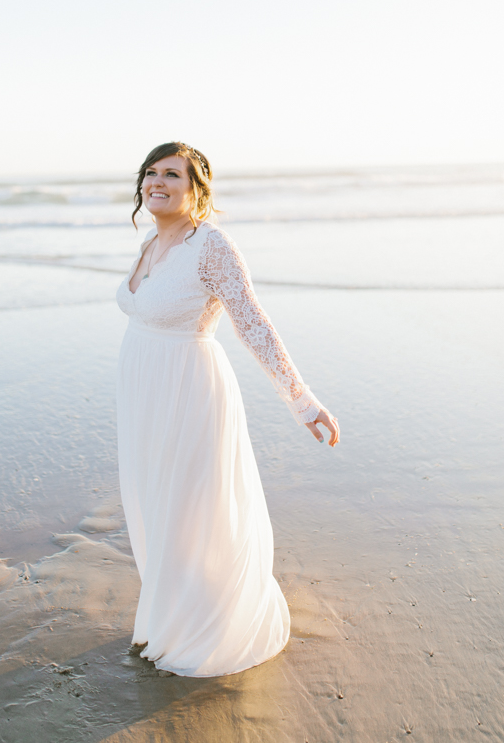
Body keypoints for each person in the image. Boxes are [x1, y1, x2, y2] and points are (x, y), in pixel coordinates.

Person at [115, 142, 339, 677]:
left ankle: (204, 625)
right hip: (142, 391)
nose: (157, 181)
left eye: (173, 174)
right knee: (155, 501)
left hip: (188, 391)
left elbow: (253, 324)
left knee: (190, 507)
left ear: (198, 189)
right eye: (151, 172)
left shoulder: (211, 246)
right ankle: (170, 610)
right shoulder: (151, 240)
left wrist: (301, 399)